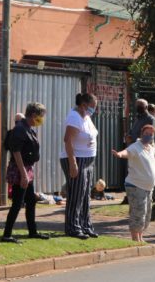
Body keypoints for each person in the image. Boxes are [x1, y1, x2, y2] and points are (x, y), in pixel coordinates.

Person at [2, 103, 51, 243]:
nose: (42, 119)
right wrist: (23, 174)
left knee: (30, 201)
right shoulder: (20, 129)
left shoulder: (28, 128)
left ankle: (32, 231)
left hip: (27, 169)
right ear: (34, 115)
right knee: (17, 203)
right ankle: (7, 234)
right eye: (41, 116)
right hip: (20, 170)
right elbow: (16, 152)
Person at [111, 125, 155, 242]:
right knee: (138, 213)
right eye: (146, 133)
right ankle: (135, 238)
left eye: (151, 134)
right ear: (141, 133)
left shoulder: (151, 148)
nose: (148, 136)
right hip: (136, 186)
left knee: (146, 214)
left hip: (148, 188)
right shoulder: (135, 147)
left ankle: (140, 236)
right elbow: (126, 152)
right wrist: (119, 154)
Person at [60, 93, 99, 240]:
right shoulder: (74, 117)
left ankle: (85, 225)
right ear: (83, 105)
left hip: (88, 160)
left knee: (85, 195)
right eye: (92, 107)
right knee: (76, 195)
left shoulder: (85, 116)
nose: (94, 110)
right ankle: (72, 227)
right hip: (77, 159)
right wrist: (73, 163)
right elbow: (68, 140)